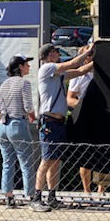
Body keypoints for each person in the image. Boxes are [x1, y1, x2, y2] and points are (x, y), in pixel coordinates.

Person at [32, 42, 93, 211]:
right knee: (46, 160)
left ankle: (52, 196)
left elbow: (80, 70)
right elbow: (73, 64)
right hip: (49, 122)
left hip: (58, 122)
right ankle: (36, 197)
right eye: (55, 52)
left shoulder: (57, 74)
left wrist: (98, 59)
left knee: (55, 161)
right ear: (49, 55)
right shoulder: (47, 68)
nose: (58, 54)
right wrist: (88, 50)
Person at [0, 55, 36, 207]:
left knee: (8, 162)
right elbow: (28, 107)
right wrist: (33, 116)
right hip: (18, 124)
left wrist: (1, 124)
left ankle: (8, 196)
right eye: (27, 64)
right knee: (26, 162)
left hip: (3, 126)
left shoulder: (4, 84)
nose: (29, 67)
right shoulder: (24, 83)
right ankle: (31, 196)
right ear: (20, 67)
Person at [67, 67, 103, 194]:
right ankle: (87, 191)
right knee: (85, 156)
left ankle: (101, 190)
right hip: (85, 117)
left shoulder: (102, 73)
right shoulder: (78, 76)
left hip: (103, 116)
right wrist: (84, 106)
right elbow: (70, 98)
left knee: (103, 153)